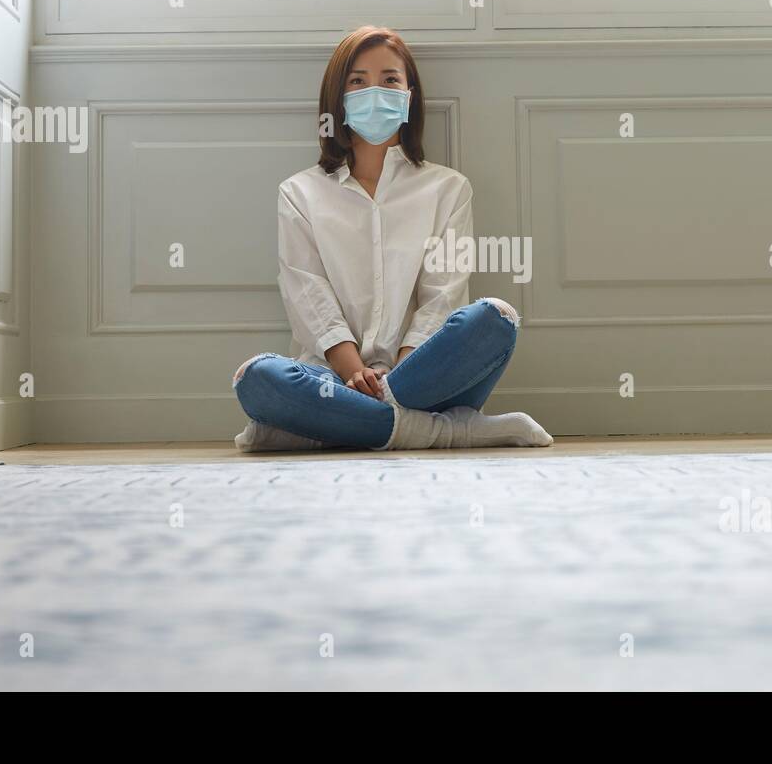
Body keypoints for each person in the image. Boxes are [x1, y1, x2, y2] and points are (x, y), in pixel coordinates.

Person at [232, 25, 553, 452]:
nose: (375, 91)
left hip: (428, 379)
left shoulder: (449, 188)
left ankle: (319, 429)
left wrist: (402, 374)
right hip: (333, 380)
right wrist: (352, 372)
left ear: (409, 94)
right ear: (337, 99)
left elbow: (444, 295)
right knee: (258, 378)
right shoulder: (299, 193)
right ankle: (449, 429)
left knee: (496, 319)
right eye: (358, 81)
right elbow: (306, 293)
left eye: (390, 80)